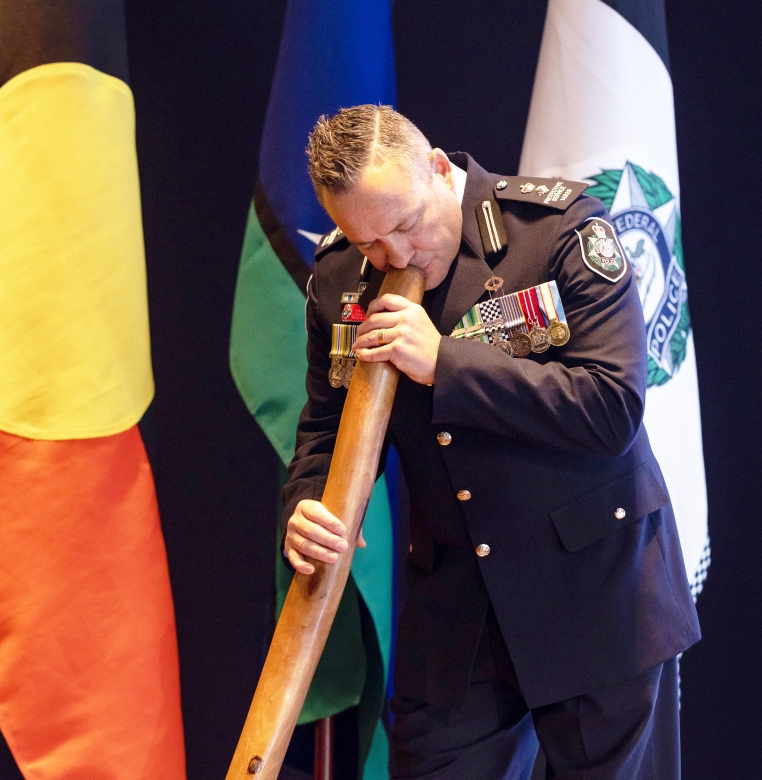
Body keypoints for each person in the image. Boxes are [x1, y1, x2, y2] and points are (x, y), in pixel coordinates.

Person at [281, 105, 699, 779]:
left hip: (592, 591)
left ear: (439, 169)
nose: (397, 257)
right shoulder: (338, 281)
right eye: (370, 245)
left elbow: (611, 407)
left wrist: (445, 362)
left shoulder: (558, 231)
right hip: (456, 611)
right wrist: (306, 501)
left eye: (407, 225)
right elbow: (327, 426)